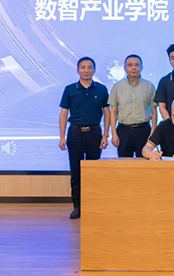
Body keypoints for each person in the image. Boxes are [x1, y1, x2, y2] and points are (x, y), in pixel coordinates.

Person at [58, 56, 110, 219]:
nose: (86, 70)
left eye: (89, 67)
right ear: (77, 70)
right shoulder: (70, 89)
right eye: (83, 67)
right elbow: (64, 113)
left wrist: (106, 135)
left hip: (94, 133)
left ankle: (93, 205)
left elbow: (107, 112)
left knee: (93, 171)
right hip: (75, 133)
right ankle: (77, 206)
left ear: (94, 70)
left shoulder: (101, 89)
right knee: (76, 171)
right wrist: (62, 137)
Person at [109, 54, 157, 158]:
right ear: (124, 68)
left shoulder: (149, 86)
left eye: (137, 65)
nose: (133, 68)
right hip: (123, 131)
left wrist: (153, 132)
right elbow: (113, 112)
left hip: (143, 130)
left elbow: (154, 111)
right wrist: (113, 133)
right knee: (124, 164)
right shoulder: (117, 86)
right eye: (130, 65)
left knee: (144, 162)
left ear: (142, 67)